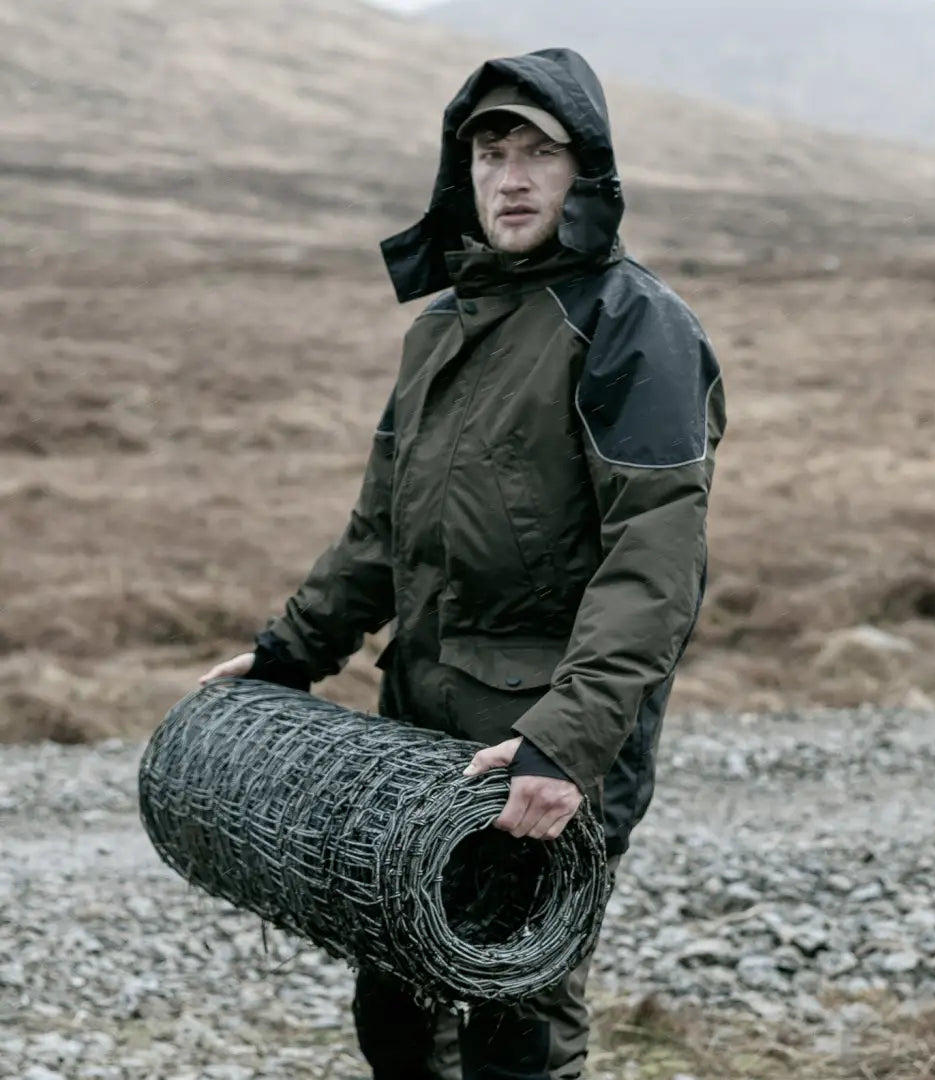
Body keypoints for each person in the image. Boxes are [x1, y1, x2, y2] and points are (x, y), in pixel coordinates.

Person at [200, 47, 726, 1080]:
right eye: (492, 150)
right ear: (464, 170)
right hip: (419, 733)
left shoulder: (633, 328)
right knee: (392, 1003)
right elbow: (379, 534)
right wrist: (282, 658)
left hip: (541, 745)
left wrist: (564, 750)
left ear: (588, 172)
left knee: (516, 1022)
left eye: (541, 150)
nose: (514, 176)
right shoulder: (444, 325)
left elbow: (654, 563)